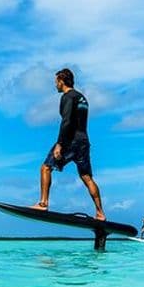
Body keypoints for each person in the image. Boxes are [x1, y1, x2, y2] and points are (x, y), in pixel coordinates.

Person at [31, 68, 105, 220]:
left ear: (61, 81)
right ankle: (100, 213)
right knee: (86, 177)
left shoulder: (67, 97)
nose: (55, 85)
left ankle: (43, 204)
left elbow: (67, 122)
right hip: (84, 141)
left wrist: (60, 144)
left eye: (56, 82)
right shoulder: (82, 98)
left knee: (45, 168)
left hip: (70, 140)